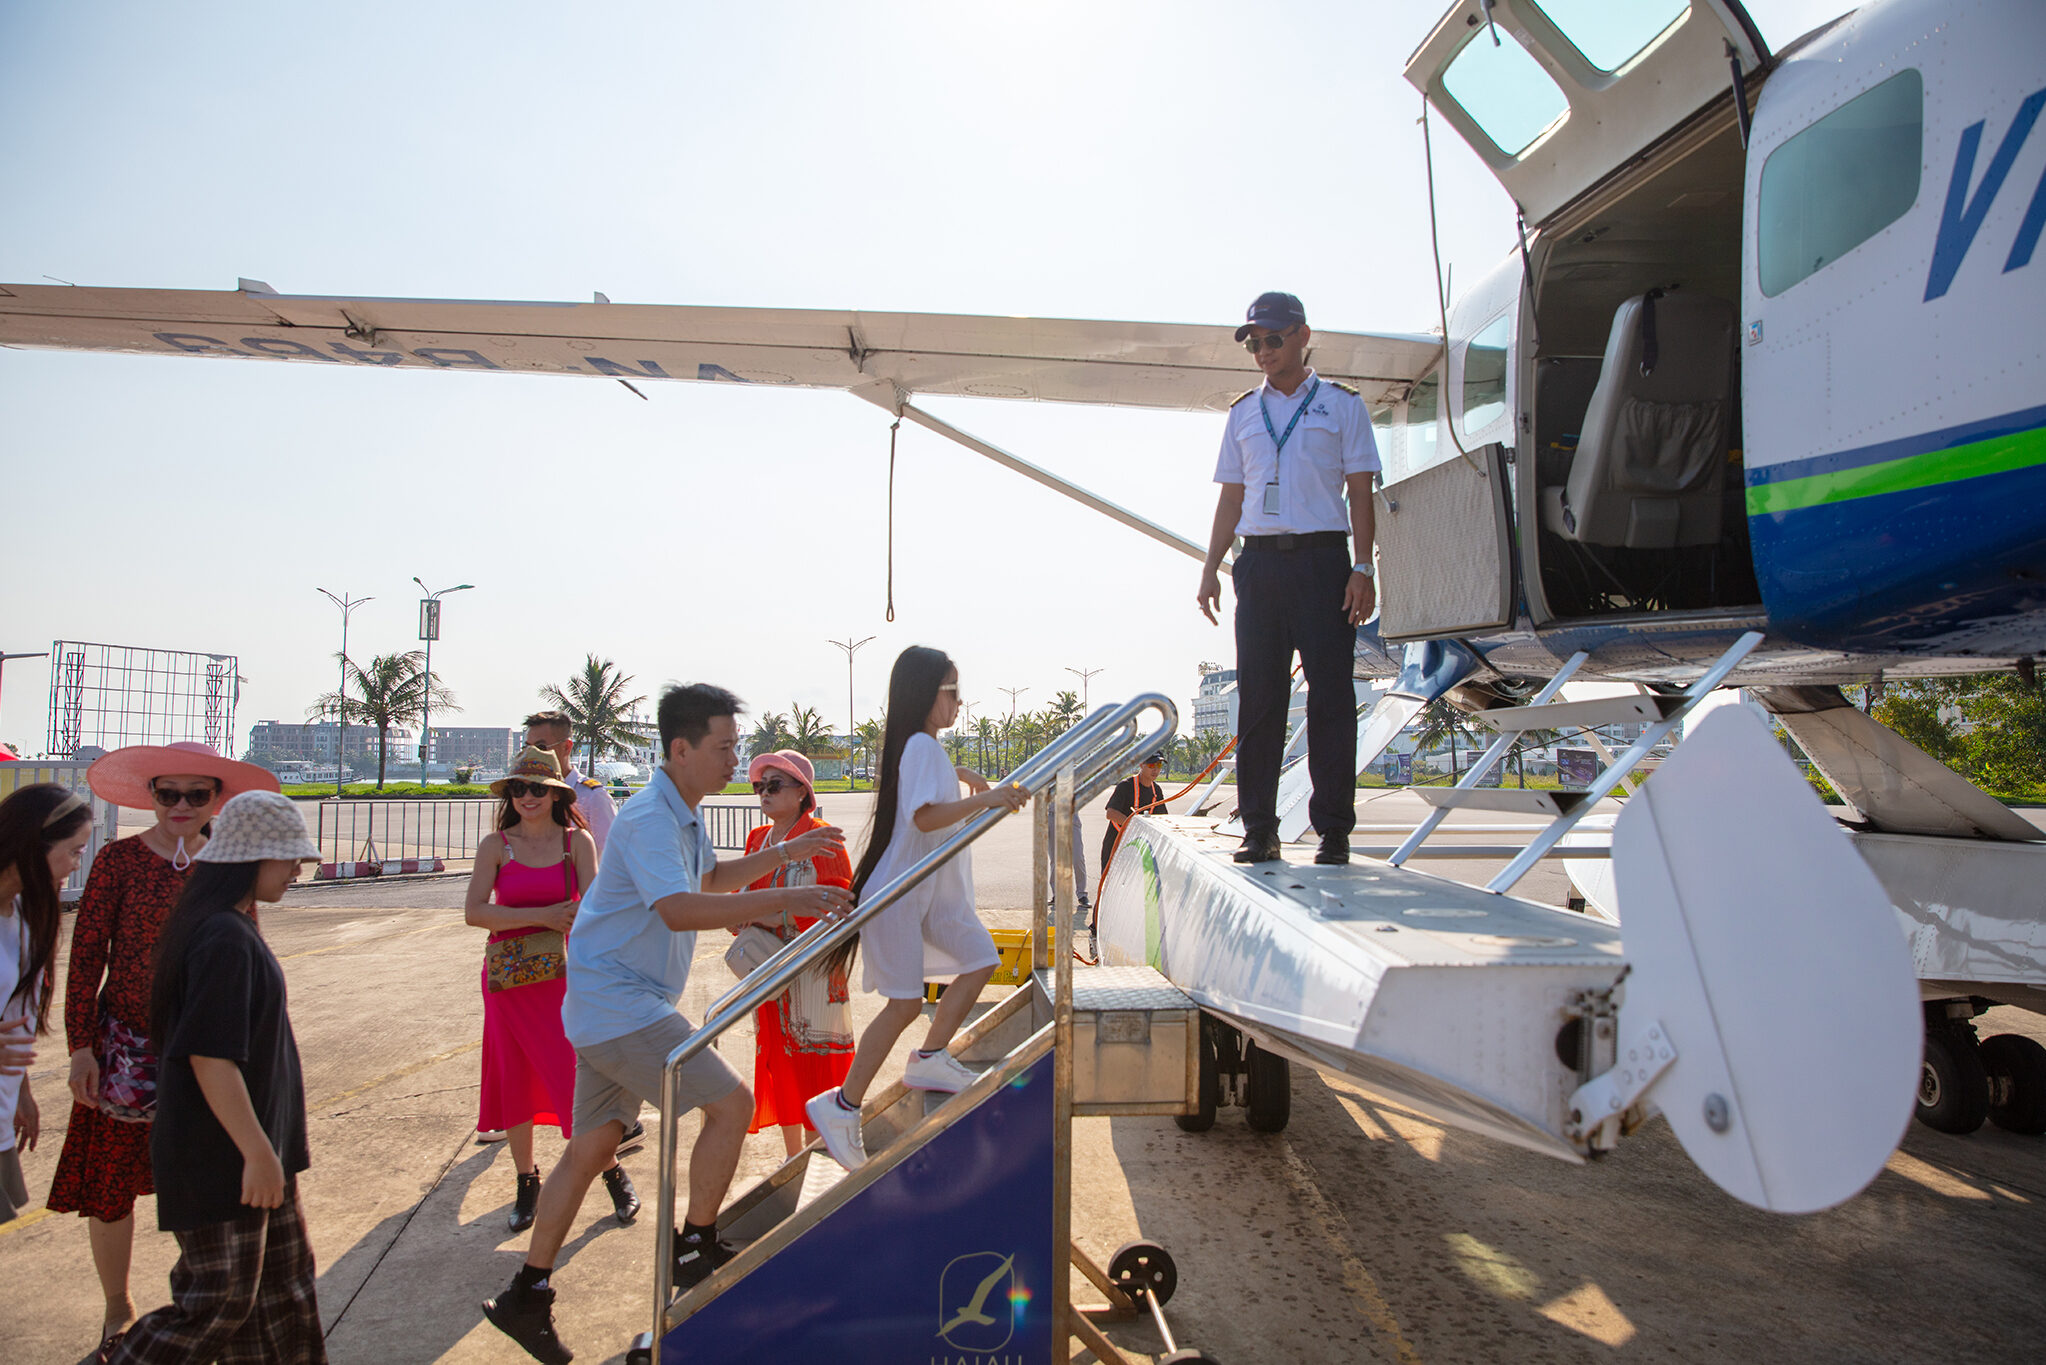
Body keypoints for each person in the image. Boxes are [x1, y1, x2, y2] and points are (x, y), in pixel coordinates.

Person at [484, 684, 852, 1365]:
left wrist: (786, 854)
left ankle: (525, 1294)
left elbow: (710, 879)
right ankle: (694, 1243)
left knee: (591, 1149)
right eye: (725, 747)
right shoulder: (654, 816)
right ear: (681, 748)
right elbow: (679, 909)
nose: (735, 762)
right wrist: (792, 894)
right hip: (623, 1004)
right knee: (731, 1105)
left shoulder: (678, 815)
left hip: (603, 1004)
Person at [48, 741, 277, 1360]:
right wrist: (80, 1048)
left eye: (196, 794)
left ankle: (200, 1305)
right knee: (110, 1187)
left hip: (206, 1051)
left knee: (203, 1182)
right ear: (150, 795)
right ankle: (117, 1308)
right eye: (167, 793)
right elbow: (86, 958)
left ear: (216, 799)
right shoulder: (118, 861)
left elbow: (247, 954)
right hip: (123, 1048)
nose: (181, 805)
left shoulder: (230, 864)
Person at [105, 790, 323, 1363]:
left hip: (256, 1153)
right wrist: (257, 1153)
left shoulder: (226, 925)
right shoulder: (223, 936)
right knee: (218, 1302)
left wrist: (268, 1152)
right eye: (290, 857)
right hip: (224, 1157)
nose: (297, 870)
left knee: (281, 1300)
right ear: (253, 858)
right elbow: (209, 1057)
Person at [805, 647, 1028, 1173]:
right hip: (901, 897)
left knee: (981, 958)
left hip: (921, 895)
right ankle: (843, 1106)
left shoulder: (922, 747)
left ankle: (929, 1057)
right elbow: (925, 817)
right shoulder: (922, 746)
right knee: (904, 1005)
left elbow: (926, 792)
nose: (959, 701)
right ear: (926, 693)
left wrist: (962, 773)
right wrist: (986, 799)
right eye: (952, 690)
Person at [1196, 291, 1379, 866]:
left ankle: (1334, 831)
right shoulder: (1242, 413)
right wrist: (1211, 567)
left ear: (1303, 336)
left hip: (1324, 563)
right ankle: (1259, 829)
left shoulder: (1342, 405)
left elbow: (1360, 493)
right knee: (1260, 700)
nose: (1263, 351)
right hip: (1258, 565)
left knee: (1331, 699)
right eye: (1254, 343)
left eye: (1273, 339)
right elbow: (1231, 498)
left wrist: (1363, 567)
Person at [464, 746, 636, 1234]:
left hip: (563, 980)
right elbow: (474, 912)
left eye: (538, 788)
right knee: (513, 1078)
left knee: (574, 1082)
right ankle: (526, 1180)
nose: (528, 796)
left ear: (557, 793)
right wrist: (544, 916)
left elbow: (597, 909)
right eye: (519, 788)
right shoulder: (496, 846)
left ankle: (611, 1171)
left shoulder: (576, 843)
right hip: (508, 982)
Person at [732, 750, 855, 1157]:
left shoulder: (822, 837)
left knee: (817, 1063)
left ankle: (819, 1153)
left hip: (812, 974)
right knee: (779, 1063)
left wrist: (770, 914)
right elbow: (737, 898)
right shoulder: (757, 840)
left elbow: (840, 906)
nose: (764, 794)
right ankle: (792, 1157)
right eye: (759, 786)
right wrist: (747, 915)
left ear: (802, 792)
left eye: (774, 785)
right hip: (768, 972)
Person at [0, 785, 94, 1224]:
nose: (76, 865)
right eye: (74, 851)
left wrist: (21, 1091)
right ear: (35, 844)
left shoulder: (22, 913)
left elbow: (12, 1016)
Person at [524, 711, 618, 853]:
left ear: (566, 747)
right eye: (527, 748)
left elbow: (611, 856)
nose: (532, 754)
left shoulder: (593, 797)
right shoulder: (524, 796)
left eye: (541, 748)